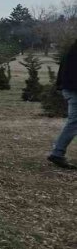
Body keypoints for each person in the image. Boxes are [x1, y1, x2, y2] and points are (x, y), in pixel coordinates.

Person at [48, 38, 77, 169]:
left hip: (69, 89)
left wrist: (60, 85)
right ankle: (57, 153)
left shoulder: (72, 49)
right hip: (74, 91)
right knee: (74, 123)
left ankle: (58, 152)